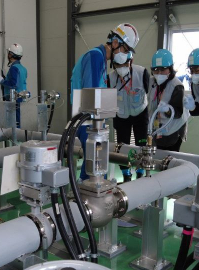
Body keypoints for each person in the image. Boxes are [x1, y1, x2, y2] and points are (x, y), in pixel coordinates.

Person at [70, 23, 139, 179]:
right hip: (87, 121)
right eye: (125, 50)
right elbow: (92, 94)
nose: (125, 55)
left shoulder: (100, 59)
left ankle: (83, 191)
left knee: (95, 167)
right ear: (114, 43)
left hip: (91, 120)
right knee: (96, 170)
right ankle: (84, 192)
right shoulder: (95, 57)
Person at [108, 53, 149, 182]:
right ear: (113, 64)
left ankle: (140, 173)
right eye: (118, 65)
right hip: (121, 115)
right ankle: (126, 174)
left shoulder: (142, 73)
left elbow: (152, 93)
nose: (121, 67)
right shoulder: (110, 78)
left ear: (131, 61)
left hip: (140, 113)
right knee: (122, 147)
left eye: (125, 64)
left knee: (141, 145)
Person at [147, 49, 190, 152]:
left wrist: (167, 110)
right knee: (158, 156)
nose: (159, 73)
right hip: (158, 128)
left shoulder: (177, 86)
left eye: (162, 70)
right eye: (155, 70)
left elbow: (178, 113)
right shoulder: (152, 82)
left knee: (170, 158)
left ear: (170, 69)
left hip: (174, 129)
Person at [0, 43, 27, 127]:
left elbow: (13, 84)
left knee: (15, 124)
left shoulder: (14, 68)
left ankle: (15, 135)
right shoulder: (23, 68)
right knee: (19, 122)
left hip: (14, 99)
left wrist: (2, 81)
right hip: (21, 98)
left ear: (11, 55)